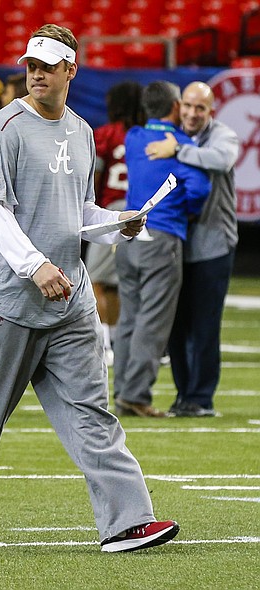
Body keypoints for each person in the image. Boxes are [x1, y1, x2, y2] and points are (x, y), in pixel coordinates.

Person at [0, 24, 180, 553]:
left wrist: (116, 221)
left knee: (92, 412)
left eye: (47, 65)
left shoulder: (81, 132)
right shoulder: (4, 128)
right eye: (31, 63)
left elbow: (75, 210)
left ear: (69, 70)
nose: (36, 72)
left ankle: (127, 520)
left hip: (70, 297)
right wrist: (34, 266)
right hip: (7, 300)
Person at [113, 81, 211, 418]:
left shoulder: (134, 137)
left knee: (129, 317)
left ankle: (122, 389)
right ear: (174, 107)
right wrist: (187, 211)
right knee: (153, 321)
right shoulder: (180, 143)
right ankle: (136, 394)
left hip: (128, 237)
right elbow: (199, 189)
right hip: (164, 237)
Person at [144, 81, 239, 418]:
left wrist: (178, 151)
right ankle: (184, 396)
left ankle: (201, 398)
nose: (192, 113)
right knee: (177, 325)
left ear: (211, 111)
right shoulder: (171, 134)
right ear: (177, 106)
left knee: (204, 325)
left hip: (213, 245)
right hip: (178, 242)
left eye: (200, 108)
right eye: (188, 106)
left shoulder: (222, 135)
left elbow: (223, 158)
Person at [84, 81, 145, 366]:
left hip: (111, 211)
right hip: (138, 212)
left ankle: (105, 344)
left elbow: (94, 180)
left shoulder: (106, 135)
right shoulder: (145, 136)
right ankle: (117, 342)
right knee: (116, 284)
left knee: (96, 280)